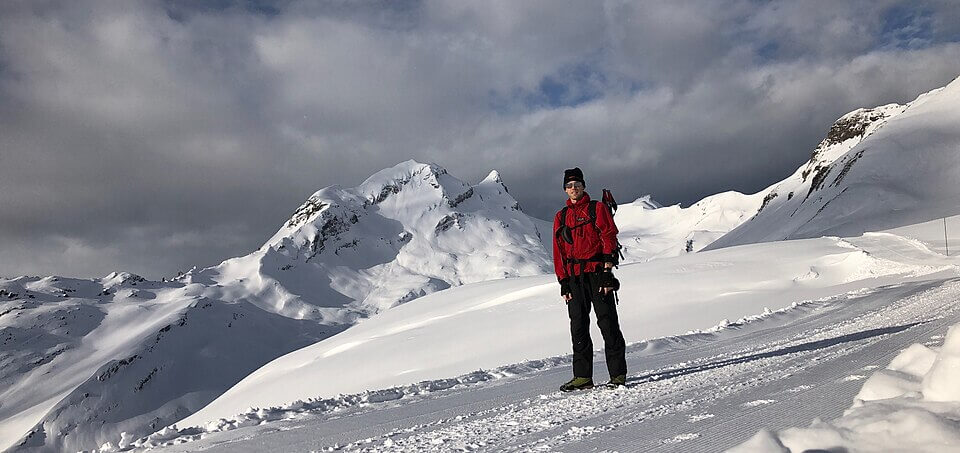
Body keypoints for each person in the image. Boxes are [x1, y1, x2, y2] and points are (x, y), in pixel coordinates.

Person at [553, 167, 627, 391]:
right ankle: (583, 377)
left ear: (583, 186)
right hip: (574, 279)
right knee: (578, 327)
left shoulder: (597, 208)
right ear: (565, 190)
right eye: (569, 186)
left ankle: (617, 375)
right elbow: (559, 252)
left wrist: (607, 272)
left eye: (577, 184)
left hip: (597, 274)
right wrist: (563, 281)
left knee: (608, 323)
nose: (573, 188)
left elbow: (608, 236)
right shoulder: (561, 216)